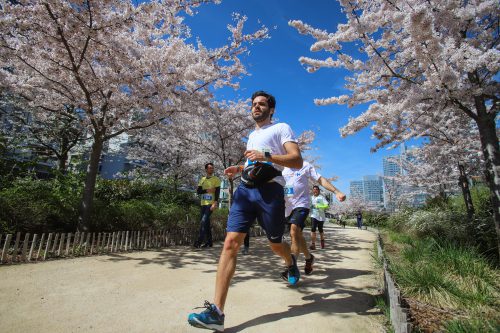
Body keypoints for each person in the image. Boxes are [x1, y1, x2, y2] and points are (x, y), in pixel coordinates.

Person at [188, 91, 303, 331]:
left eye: (261, 104)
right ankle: (217, 313)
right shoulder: (252, 134)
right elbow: (255, 164)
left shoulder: (282, 128)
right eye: (254, 104)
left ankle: (289, 260)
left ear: (271, 109)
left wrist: (267, 155)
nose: (256, 107)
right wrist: (240, 167)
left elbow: (296, 160)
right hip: (245, 191)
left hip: (270, 192)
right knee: (230, 243)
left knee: (275, 243)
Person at [282, 161, 346, 277]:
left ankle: (291, 268)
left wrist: (336, 191)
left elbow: (321, 179)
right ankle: (309, 257)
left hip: (302, 205)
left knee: (294, 230)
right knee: (297, 235)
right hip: (287, 207)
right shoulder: (280, 166)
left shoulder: (305, 165)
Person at [309, 184, 345, 250]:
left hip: (321, 216)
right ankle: (313, 244)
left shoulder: (321, 197)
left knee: (320, 230)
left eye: (316, 190)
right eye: (314, 190)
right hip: (313, 215)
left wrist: (319, 206)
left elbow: (327, 206)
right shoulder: (310, 198)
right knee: (313, 228)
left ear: (318, 191)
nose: (315, 191)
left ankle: (322, 241)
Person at [194, 163, 221, 248]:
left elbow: (217, 193)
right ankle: (209, 242)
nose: (211, 169)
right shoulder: (202, 179)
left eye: (212, 168)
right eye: (209, 168)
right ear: (206, 169)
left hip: (211, 204)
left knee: (203, 221)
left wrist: (215, 203)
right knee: (206, 223)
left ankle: (199, 242)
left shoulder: (216, 179)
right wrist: (207, 190)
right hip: (203, 204)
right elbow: (198, 191)